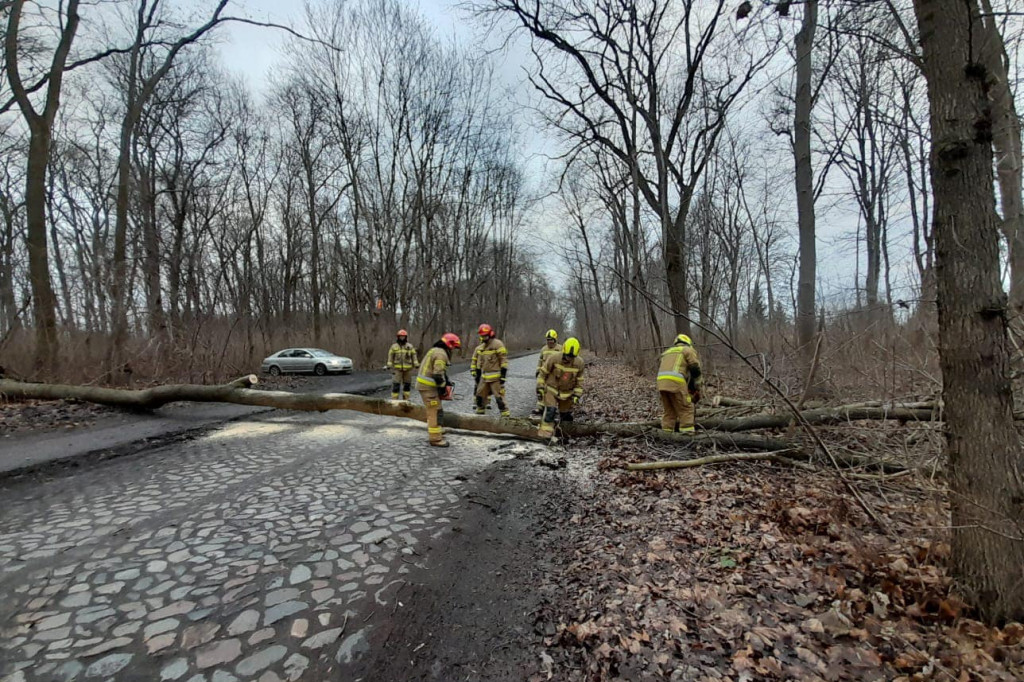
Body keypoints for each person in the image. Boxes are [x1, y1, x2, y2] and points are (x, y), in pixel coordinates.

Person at [417, 333, 461, 447]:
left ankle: (438, 429)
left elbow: (440, 371)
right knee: (434, 412)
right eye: (454, 347)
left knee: (438, 409)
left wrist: (446, 381)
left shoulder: (436, 350)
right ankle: (435, 439)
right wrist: (442, 387)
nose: (454, 350)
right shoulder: (441, 354)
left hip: (428, 386)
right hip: (428, 387)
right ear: (450, 345)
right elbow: (437, 374)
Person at [537, 336, 584, 441]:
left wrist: (577, 395)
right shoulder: (554, 358)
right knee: (550, 411)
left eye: (572, 357)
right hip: (551, 389)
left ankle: (564, 435)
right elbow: (542, 374)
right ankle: (544, 436)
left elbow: (579, 380)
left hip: (567, 393)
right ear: (564, 350)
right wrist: (540, 387)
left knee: (566, 416)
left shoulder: (579, 363)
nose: (569, 358)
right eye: (568, 356)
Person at [656, 334, 702, 433]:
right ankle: (687, 433)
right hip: (676, 381)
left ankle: (666, 433)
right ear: (688, 343)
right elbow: (694, 368)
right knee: (686, 408)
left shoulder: (666, 352)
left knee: (669, 410)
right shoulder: (687, 350)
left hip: (661, 383)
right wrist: (697, 384)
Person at [470, 323, 510, 417]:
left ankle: (505, 415)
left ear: (490, 334)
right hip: (484, 377)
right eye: (482, 336)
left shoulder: (498, 344)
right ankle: (480, 412)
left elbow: (503, 360)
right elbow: (478, 361)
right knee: (479, 395)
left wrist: (503, 375)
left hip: (495, 377)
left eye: (485, 336)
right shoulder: (482, 346)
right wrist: (476, 372)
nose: (483, 338)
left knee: (499, 397)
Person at [532, 329, 562, 416]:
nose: (550, 342)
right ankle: (540, 406)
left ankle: (554, 407)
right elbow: (540, 361)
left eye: (551, 340)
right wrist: (538, 370)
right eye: (548, 340)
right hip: (544, 373)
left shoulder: (560, 349)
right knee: (540, 389)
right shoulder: (543, 349)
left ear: (555, 340)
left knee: (554, 391)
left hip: (555, 374)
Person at [386, 329, 418, 400]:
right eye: (401, 336)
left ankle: (406, 399)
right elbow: (390, 356)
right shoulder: (394, 347)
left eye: (403, 337)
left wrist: (416, 364)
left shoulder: (410, 346)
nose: (402, 338)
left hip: (408, 369)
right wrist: (389, 364)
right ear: (398, 337)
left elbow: (414, 355)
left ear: (406, 337)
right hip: (397, 369)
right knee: (396, 385)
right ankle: (394, 400)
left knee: (407, 385)